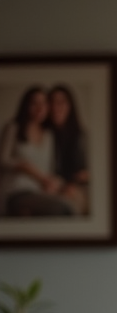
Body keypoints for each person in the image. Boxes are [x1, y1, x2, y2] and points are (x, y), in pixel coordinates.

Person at [0, 85, 73, 217]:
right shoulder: (13, 127)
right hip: (16, 191)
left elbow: (49, 169)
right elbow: (3, 160)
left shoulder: (49, 135)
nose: (40, 108)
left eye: (44, 103)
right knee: (62, 208)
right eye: (34, 103)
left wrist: (54, 183)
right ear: (26, 105)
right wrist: (24, 166)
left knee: (69, 204)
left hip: (40, 192)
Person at [47, 83, 89, 215]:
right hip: (47, 186)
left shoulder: (80, 136)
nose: (55, 108)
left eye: (61, 103)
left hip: (74, 187)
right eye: (52, 103)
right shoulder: (42, 135)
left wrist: (73, 183)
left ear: (70, 106)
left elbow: (86, 172)